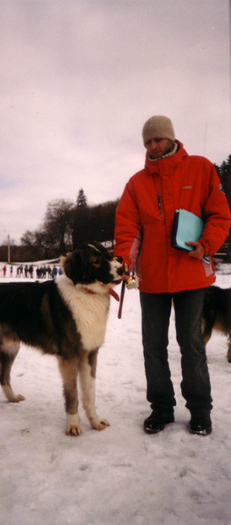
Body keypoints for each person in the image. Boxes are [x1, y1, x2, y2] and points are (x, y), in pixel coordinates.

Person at [114, 116, 231, 436]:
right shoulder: (136, 183)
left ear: (170, 138)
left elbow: (220, 214)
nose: (153, 147)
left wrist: (206, 244)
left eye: (157, 140)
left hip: (191, 275)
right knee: (152, 346)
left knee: (191, 343)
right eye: (147, 142)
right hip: (152, 279)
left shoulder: (201, 168)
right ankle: (162, 408)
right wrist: (123, 260)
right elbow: (127, 229)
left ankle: (200, 411)